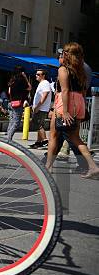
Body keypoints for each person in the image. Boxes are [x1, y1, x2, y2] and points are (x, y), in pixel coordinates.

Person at [45, 42, 99, 179]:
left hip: (66, 103)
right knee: (75, 137)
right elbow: (82, 90)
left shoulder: (63, 69)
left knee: (54, 136)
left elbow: (65, 90)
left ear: (67, 54)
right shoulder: (81, 69)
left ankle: (48, 167)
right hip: (79, 102)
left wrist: (66, 111)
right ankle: (92, 166)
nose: (62, 55)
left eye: (64, 53)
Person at [6, 66, 31, 141]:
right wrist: (25, 77)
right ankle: (9, 139)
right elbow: (29, 87)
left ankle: (7, 138)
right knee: (16, 123)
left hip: (11, 103)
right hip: (17, 104)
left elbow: (9, 91)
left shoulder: (12, 80)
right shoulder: (21, 80)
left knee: (11, 121)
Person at [29, 69, 51, 149]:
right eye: (36, 74)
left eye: (38, 74)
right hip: (40, 108)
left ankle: (45, 140)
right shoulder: (42, 83)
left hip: (41, 108)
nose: (36, 75)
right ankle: (39, 142)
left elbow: (45, 95)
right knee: (38, 125)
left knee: (38, 124)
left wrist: (38, 106)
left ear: (43, 75)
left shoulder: (45, 83)